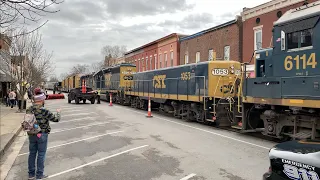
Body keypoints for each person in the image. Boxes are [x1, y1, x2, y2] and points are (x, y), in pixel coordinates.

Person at [26, 88, 60, 180]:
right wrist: (58, 113)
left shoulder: (29, 109)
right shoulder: (44, 110)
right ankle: (39, 174)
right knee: (41, 154)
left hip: (32, 134)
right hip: (42, 134)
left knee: (32, 154)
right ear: (41, 100)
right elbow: (56, 119)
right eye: (43, 99)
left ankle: (31, 174)